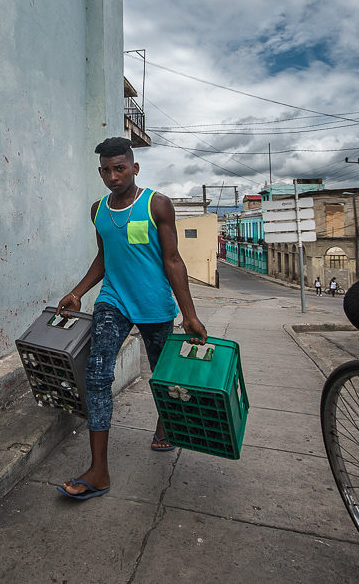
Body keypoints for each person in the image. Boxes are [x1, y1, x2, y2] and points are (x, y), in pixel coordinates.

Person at [55, 137, 207, 500]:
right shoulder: (98, 210)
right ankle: (98, 472)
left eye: (119, 168)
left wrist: (190, 315)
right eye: (106, 170)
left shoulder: (157, 204)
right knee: (96, 374)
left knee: (163, 375)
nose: (112, 176)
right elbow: (104, 258)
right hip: (113, 300)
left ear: (134, 168)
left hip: (154, 304)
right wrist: (78, 292)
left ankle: (165, 425)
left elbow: (173, 260)